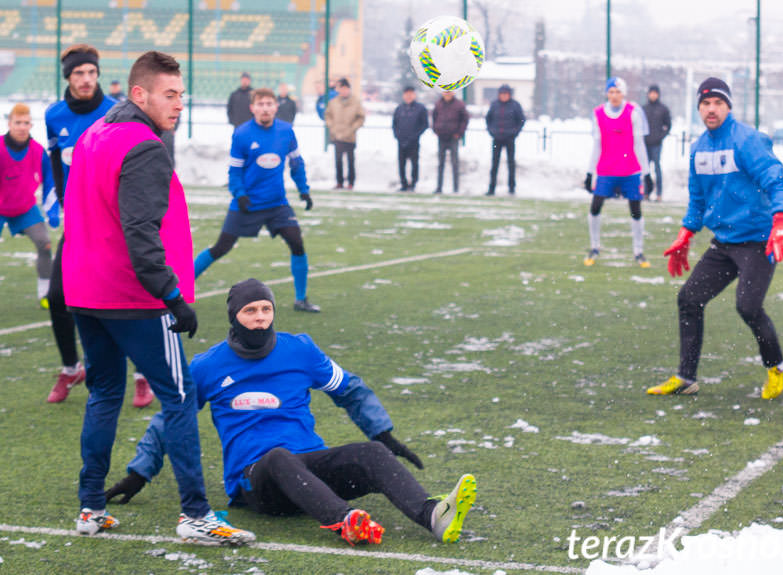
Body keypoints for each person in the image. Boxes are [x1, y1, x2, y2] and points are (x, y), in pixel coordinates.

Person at [104, 278, 478, 546]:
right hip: (256, 483)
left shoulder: (300, 350)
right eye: (250, 311)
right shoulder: (207, 365)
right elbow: (171, 416)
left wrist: (382, 433)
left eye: (266, 309)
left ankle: (433, 515)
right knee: (279, 457)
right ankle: (347, 521)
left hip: (310, 471)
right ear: (235, 317)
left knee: (371, 453)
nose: (260, 317)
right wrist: (140, 472)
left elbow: (348, 387)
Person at [61, 50, 256, 546]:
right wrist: (172, 295)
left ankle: (91, 508)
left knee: (104, 393)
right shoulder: (144, 146)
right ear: (140, 94)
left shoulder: (93, 134)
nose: (179, 105)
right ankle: (195, 514)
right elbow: (140, 233)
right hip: (133, 296)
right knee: (180, 398)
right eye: (170, 95)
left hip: (84, 290)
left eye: (182, 95)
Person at [647, 77, 783, 399]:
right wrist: (686, 231)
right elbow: (698, 199)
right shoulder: (699, 149)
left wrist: (782, 217)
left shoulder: (748, 140)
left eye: (718, 103)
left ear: (728, 106)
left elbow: (776, 180)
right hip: (724, 245)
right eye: (705, 103)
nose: (711, 109)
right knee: (688, 299)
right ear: (699, 108)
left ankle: (776, 367)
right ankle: (686, 378)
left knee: (747, 306)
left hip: (758, 242)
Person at [44, 45, 155, 407]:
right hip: (77, 224)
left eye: (91, 72)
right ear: (68, 78)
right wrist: (62, 203)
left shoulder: (116, 113)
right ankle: (69, 367)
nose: (87, 79)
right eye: (79, 73)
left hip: (114, 223)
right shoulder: (54, 115)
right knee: (59, 297)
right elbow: (57, 166)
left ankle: (142, 375)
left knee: (126, 298)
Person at [194, 87, 319, 313]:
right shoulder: (241, 134)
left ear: (276, 107)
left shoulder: (286, 132)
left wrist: (304, 190)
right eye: (260, 104)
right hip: (248, 203)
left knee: (297, 243)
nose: (265, 108)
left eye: (269, 104)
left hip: (277, 204)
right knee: (221, 247)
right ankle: (182, 287)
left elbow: (296, 164)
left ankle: (301, 299)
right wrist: (239, 194)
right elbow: (234, 172)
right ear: (252, 108)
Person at [0, 103, 57, 306]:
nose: (22, 127)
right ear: (9, 123)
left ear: (31, 125)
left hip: (24, 208)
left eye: (26, 123)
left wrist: (52, 210)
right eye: (18, 122)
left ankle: (45, 292)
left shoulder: (38, 151)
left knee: (44, 243)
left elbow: (50, 182)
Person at [583, 77, 650, 268]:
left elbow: (639, 144)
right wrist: (589, 173)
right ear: (606, 93)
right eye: (611, 92)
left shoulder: (633, 112)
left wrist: (646, 173)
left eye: (618, 92)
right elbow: (596, 145)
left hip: (630, 170)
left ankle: (638, 251)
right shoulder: (598, 114)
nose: (614, 96)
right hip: (606, 170)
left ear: (624, 93)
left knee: (635, 210)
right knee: (595, 207)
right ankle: (594, 246)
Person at [324, 78, 365, 190]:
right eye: (341, 88)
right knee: (338, 160)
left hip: (350, 136)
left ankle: (351, 182)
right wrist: (331, 126)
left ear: (348, 89)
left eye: (345, 88)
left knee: (350, 160)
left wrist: (353, 128)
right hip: (337, 135)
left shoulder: (355, 102)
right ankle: (339, 182)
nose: (343, 91)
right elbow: (327, 115)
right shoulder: (333, 102)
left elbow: (361, 117)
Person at [485, 84, 525, 196]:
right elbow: (488, 119)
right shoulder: (494, 105)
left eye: (505, 94)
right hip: (497, 138)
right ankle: (491, 188)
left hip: (509, 139)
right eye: (501, 94)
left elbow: (521, 120)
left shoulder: (515, 105)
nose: (503, 96)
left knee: (511, 164)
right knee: (494, 164)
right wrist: (492, 131)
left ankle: (512, 188)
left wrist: (514, 133)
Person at [392, 86, 428, 192]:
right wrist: (398, 136)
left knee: (414, 163)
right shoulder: (399, 109)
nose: (408, 96)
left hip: (414, 142)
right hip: (401, 141)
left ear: (414, 95)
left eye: (411, 93)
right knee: (401, 164)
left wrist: (415, 136)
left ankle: (413, 184)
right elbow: (394, 124)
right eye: (406, 93)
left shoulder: (420, 108)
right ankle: (403, 183)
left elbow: (424, 125)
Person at [432, 91, 468, 195]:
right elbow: (434, 118)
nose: (447, 94)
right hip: (441, 137)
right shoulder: (438, 104)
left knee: (455, 163)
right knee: (440, 163)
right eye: (445, 92)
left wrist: (459, 133)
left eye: (449, 92)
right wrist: (436, 130)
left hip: (454, 138)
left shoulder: (459, 105)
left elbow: (465, 120)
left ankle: (456, 188)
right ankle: (439, 187)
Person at [643, 84, 671, 201]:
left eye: (655, 93)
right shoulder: (644, 109)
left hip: (657, 144)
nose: (653, 95)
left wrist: (660, 137)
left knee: (657, 168)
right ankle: (646, 192)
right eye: (651, 93)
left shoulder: (663, 109)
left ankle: (659, 194)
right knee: (646, 169)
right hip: (645, 144)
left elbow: (668, 126)